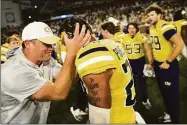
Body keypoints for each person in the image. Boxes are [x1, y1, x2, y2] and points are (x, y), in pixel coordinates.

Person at [1, 21, 90, 124]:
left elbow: (69, 81)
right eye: (46, 44)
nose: (51, 48)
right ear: (28, 44)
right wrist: (71, 53)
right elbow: (59, 93)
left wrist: (75, 53)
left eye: (51, 43)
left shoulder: (45, 59)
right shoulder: (14, 71)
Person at [59, 16, 136, 123]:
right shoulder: (109, 43)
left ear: (74, 37)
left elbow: (100, 112)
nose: (64, 46)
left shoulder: (91, 54)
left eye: (64, 42)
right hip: (127, 114)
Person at [145, 4, 184, 123]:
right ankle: (171, 116)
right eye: (148, 15)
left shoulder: (165, 27)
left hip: (168, 65)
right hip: (158, 65)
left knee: (171, 96)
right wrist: (151, 62)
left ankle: (176, 120)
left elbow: (180, 45)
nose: (149, 17)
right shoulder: (152, 27)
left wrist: (168, 61)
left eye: (152, 15)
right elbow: (155, 47)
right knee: (164, 93)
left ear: (160, 15)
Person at [121, 23, 152, 109]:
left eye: (133, 28)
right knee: (130, 82)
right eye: (129, 28)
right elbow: (121, 52)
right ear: (127, 29)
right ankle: (132, 99)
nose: (131, 30)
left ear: (136, 29)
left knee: (142, 82)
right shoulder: (123, 38)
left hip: (140, 61)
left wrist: (150, 63)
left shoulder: (142, 37)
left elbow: (148, 51)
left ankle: (145, 99)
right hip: (129, 62)